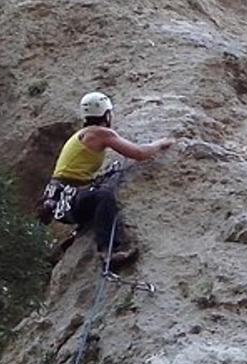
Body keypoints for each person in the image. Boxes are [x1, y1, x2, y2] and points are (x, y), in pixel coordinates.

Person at [39, 92, 174, 267]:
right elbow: (139, 153)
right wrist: (161, 144)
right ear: (107, 114)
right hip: (68, 198)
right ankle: (110, 252)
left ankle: (76, 236)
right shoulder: (100, 133)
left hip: (60, 199)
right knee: (104, 196)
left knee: (103, 186)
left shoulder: (83, 134)